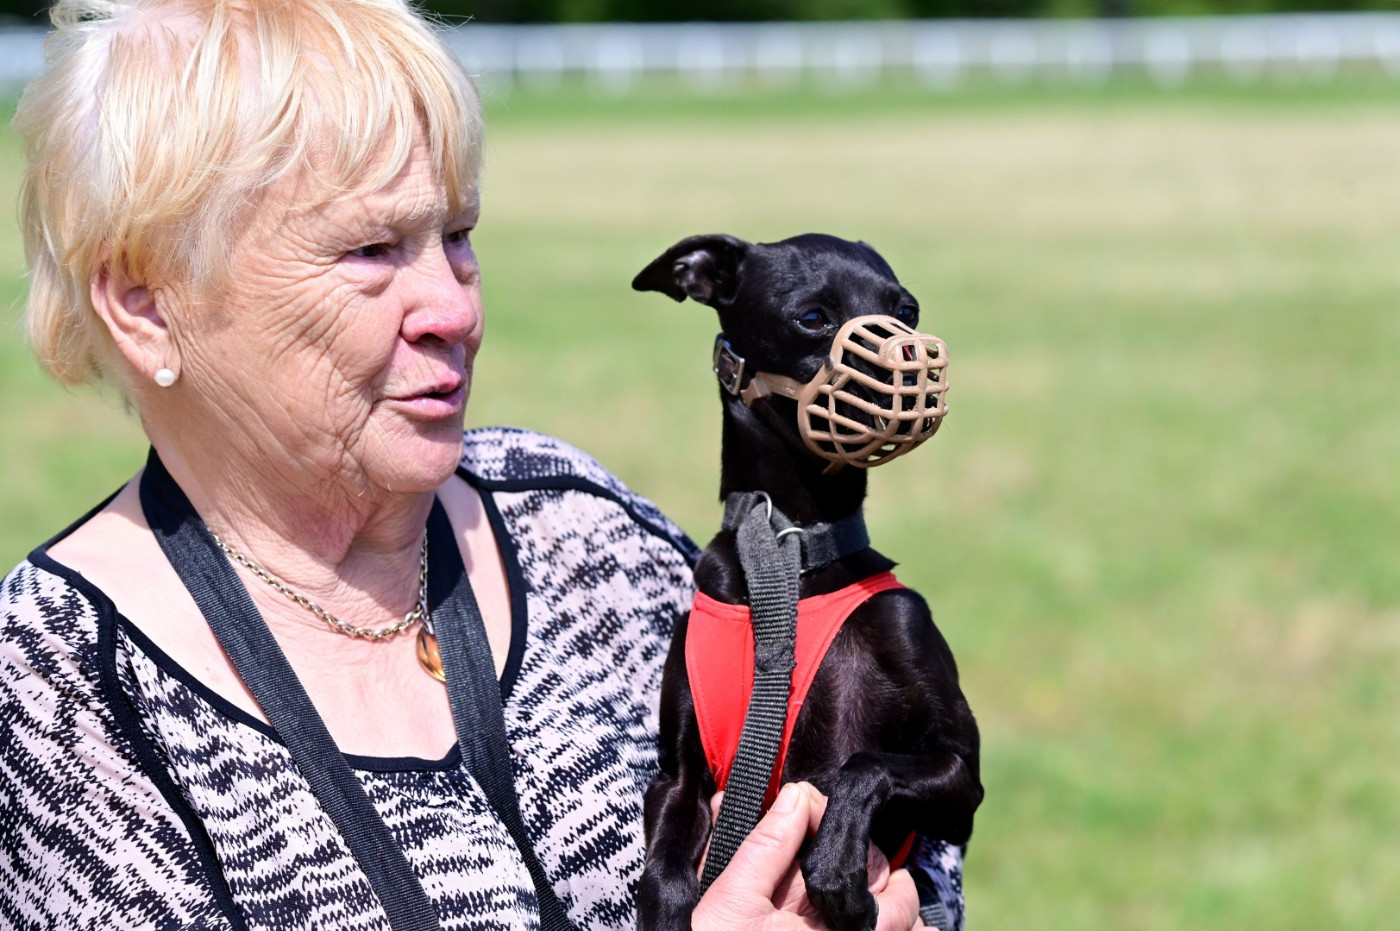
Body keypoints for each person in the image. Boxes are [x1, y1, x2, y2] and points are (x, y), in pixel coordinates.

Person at [0, 1, 966, 929]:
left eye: (457, 236)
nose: (455, 309)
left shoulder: (579, 524)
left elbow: (912, 833)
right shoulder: (55, 688)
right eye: (370, 249)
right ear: (146, 304)